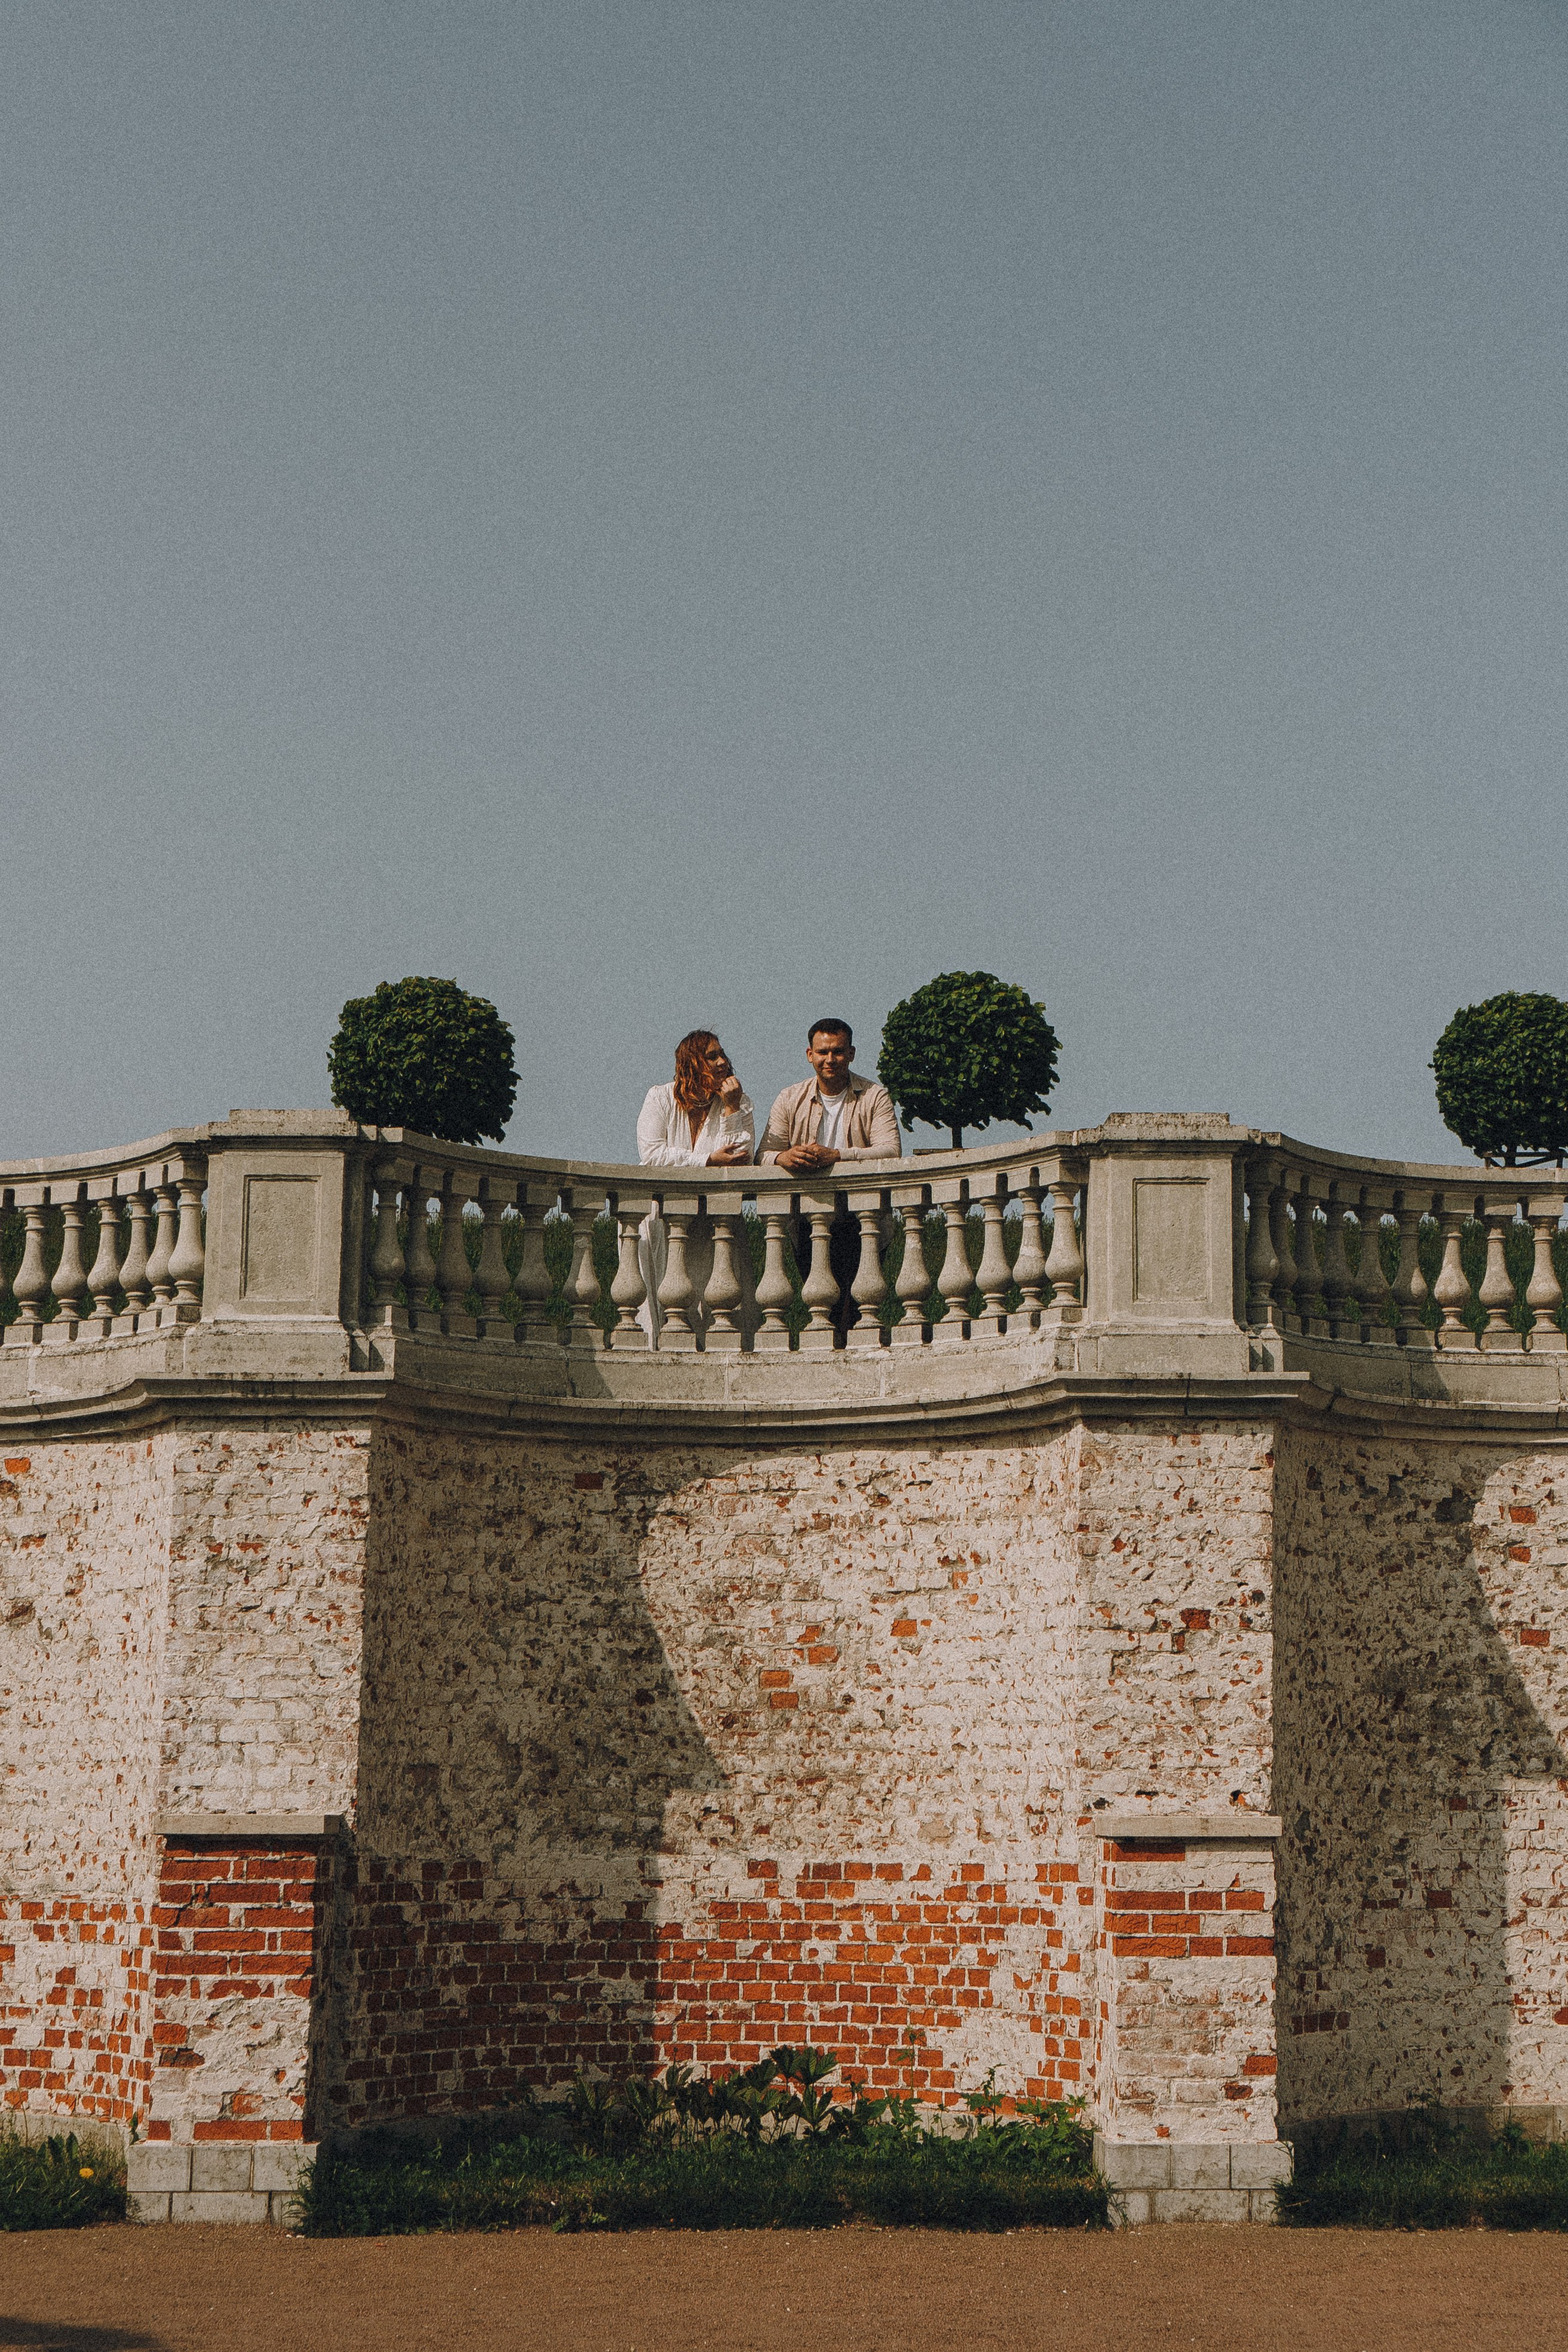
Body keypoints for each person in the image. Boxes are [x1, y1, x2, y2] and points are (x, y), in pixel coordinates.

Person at [758, 1018, 900, 1329]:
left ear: (851, 1053)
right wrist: (785, 1156)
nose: (830, 1060)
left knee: (856, 1306)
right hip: (808, 1218)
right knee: (820, 1306)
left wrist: (837, 1156)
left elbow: (890, 1152)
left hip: (861, 1219)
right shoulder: (789, 1098)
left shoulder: (875, 1095)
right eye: (823, 1052)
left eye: (837, 1052)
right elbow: (763, 1156)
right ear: (810, 1054)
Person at [635, 1031, 755, 1342]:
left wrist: (731, 1109)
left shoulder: (740, 1104)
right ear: (691, 1064)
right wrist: (706, 1161)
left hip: (714, 1221)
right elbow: (652, 1156)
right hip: (663, 1220)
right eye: (712, 1056)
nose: (722, 1062)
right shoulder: (660, 1098)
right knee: (660, 1304)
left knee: (717, 1308)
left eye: (722, 1054)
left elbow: (741, 1160)